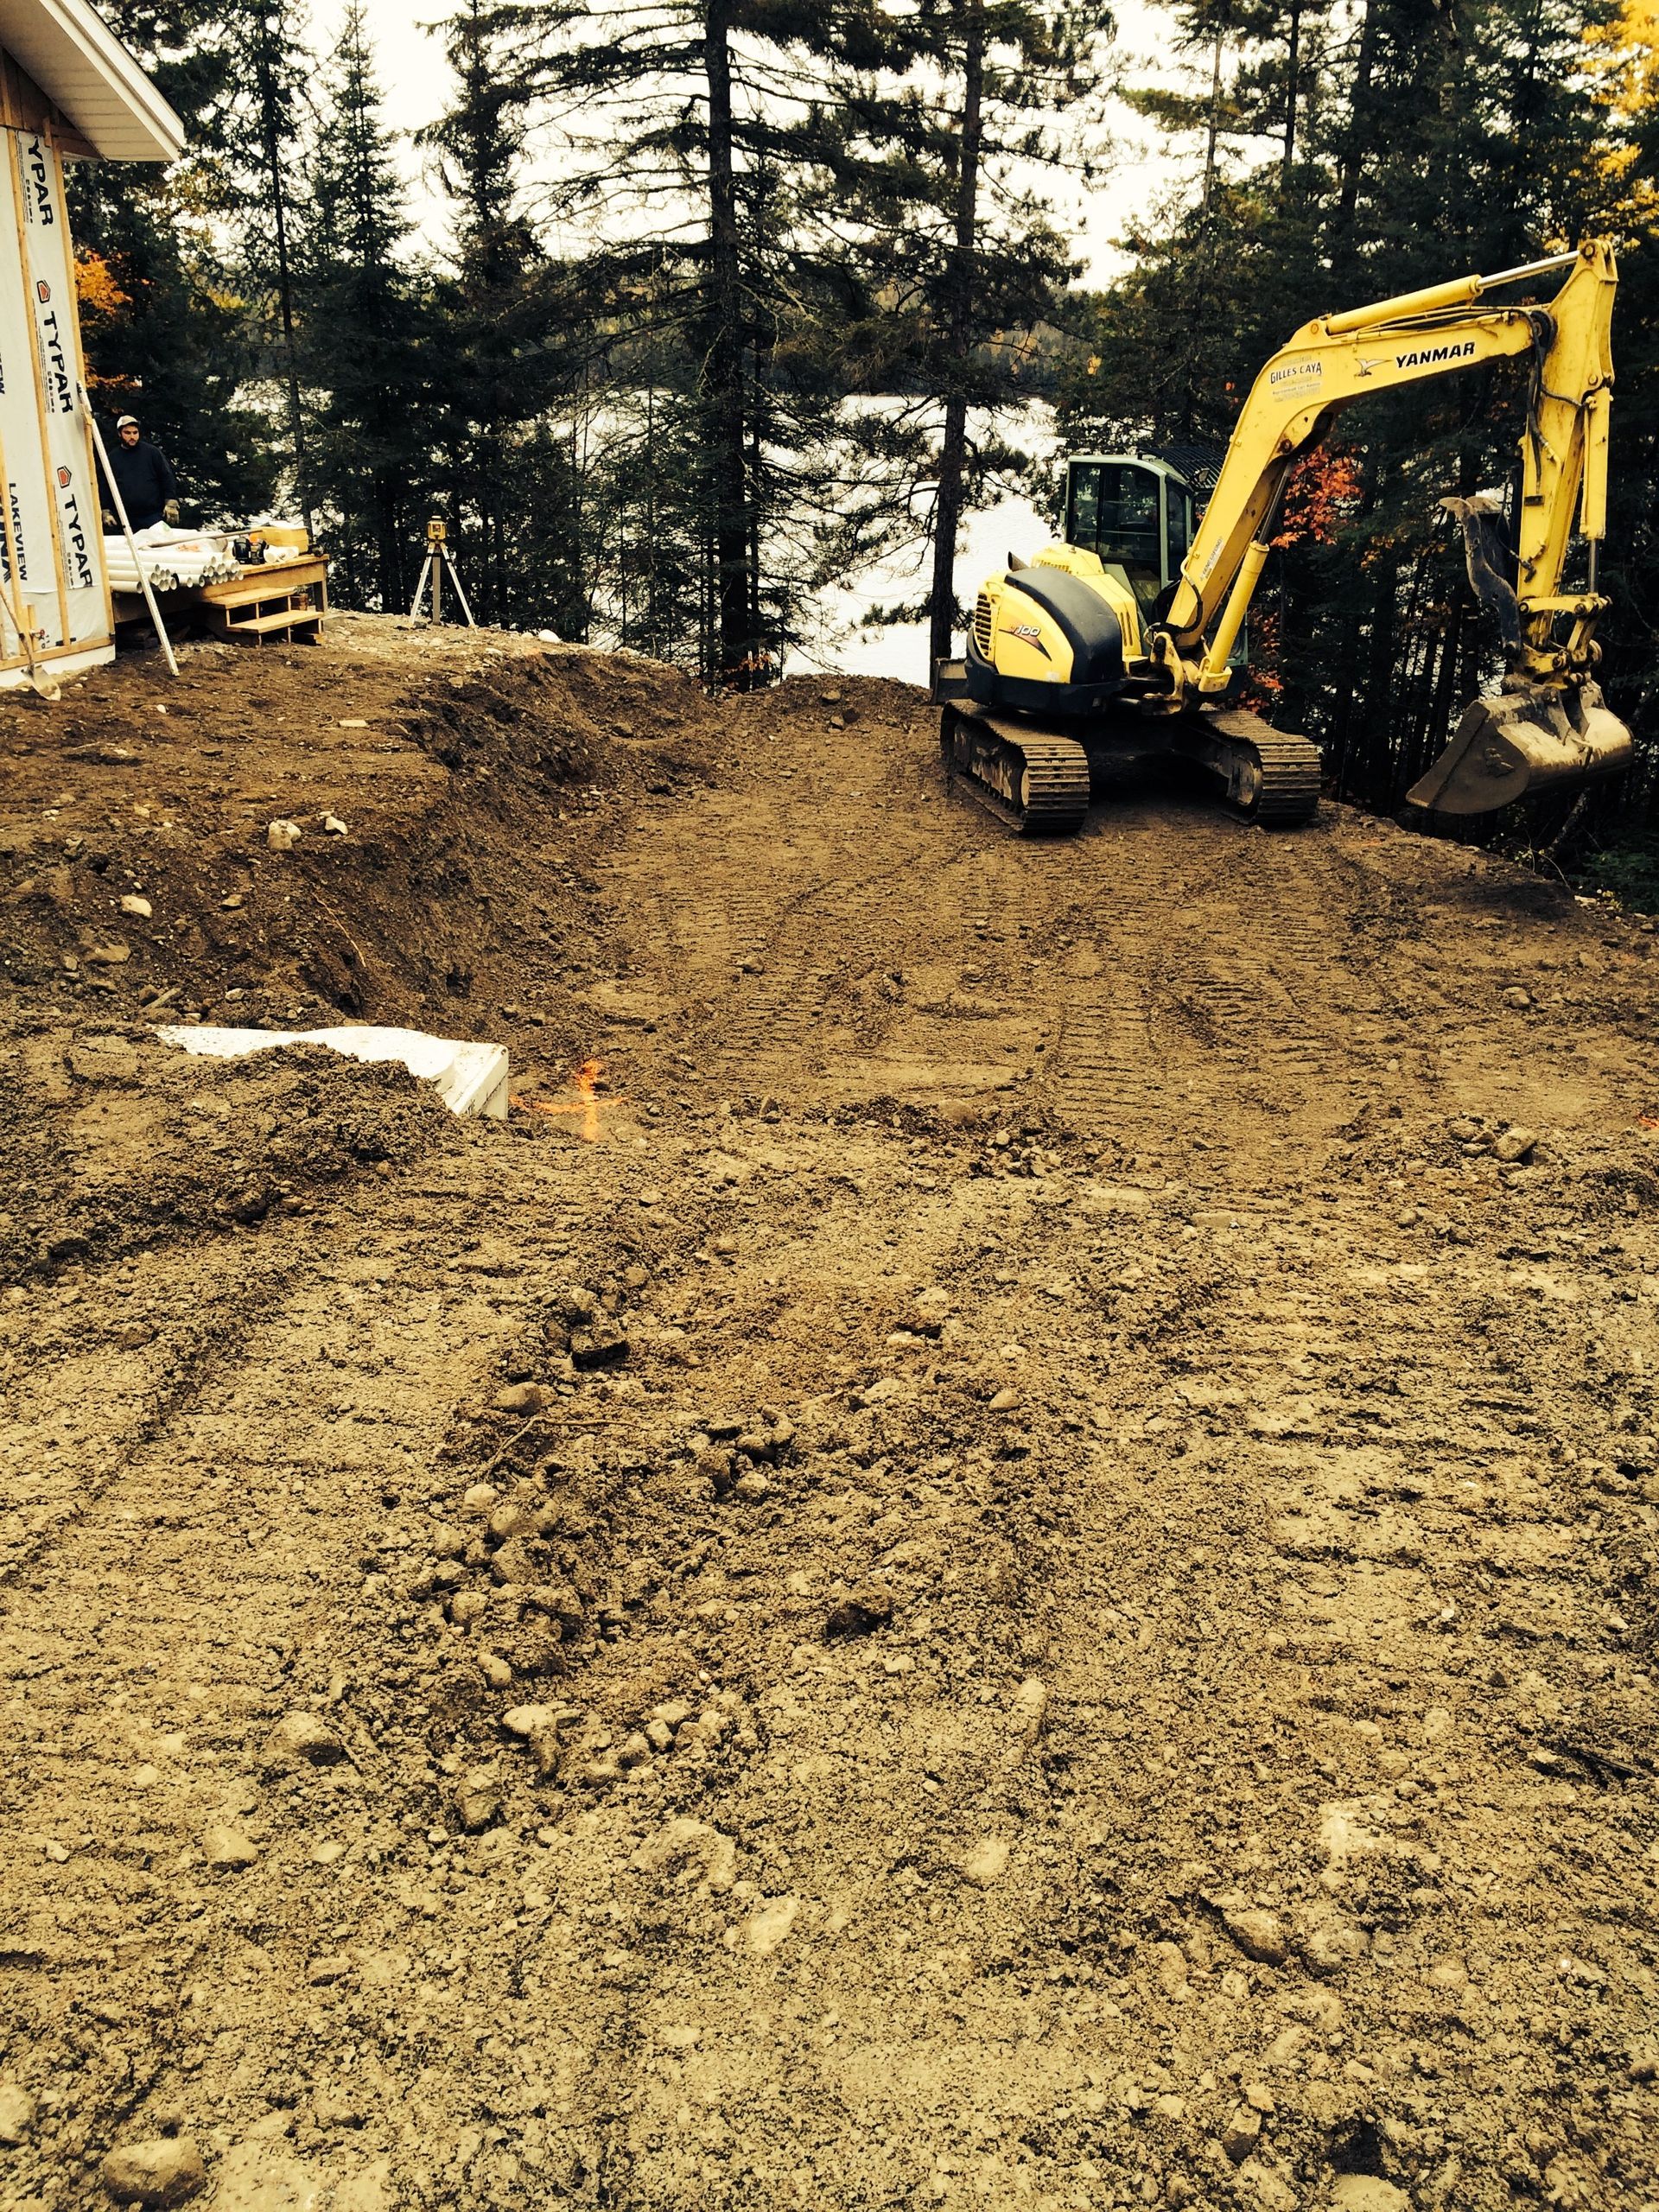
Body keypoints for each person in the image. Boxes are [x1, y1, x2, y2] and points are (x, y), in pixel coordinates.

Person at [99, 414, 180, 531]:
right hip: (125, 519)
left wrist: (171, 503)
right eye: (127, 433)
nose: (132, 436)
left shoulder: (152, 453)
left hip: (153, 516)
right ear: (119, 434)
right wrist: (106, 511)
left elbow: (166, 477)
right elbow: (105, 486)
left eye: (135, 432)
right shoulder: (112, 458)